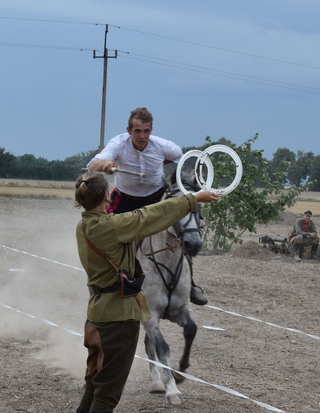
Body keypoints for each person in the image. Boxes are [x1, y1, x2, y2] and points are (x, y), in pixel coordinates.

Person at [74, 171, 219, 413]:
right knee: (106, 397)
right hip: (118, 319)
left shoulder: (83, 226)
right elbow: (150, 215)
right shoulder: (112, 227)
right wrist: (193, 199)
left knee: (93, 385)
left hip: (96, 315)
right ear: (106, 198)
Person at [88, 107, 208, 306]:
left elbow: (181, 157)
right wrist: (106, 165)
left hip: (156, 197)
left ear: (151, 130)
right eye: (137, 131)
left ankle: (191, 284)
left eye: (146, 131)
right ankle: (111, 282)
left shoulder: (163, 146)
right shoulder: (118, 144)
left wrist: (162, 161)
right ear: (129, 130)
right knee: (111, 237)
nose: (142, 136)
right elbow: (94, 164)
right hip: (125, 199)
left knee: (182, 232)